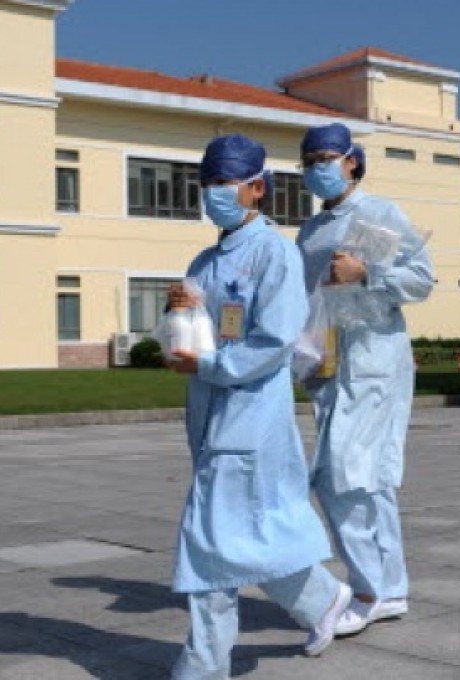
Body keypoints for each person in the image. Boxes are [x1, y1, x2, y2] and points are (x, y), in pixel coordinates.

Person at [167, 134, 351, 680]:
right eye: (208, 184)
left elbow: (273, 342)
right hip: (210, 411)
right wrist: (176, 311)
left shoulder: (274, 253)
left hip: (251, 414)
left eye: (225, 183)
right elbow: (193, 330)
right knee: (252, 529)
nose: (214, 194)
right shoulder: (205, 258)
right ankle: (322, 601)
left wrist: (207, 366)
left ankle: (202, 665)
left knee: (209, 539)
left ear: (256, 189)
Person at [295, 123, 435, 636]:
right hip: (330, 363)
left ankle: (368, 588)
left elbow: (422, 278)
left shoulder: (381, 214)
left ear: (353, 160)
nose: (317, 168)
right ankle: (391, 589)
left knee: (339, 476)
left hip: (375, 361)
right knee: (369, 480)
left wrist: (368, 274)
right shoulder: (308, 233)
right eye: (308, 160)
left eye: (326, 156)